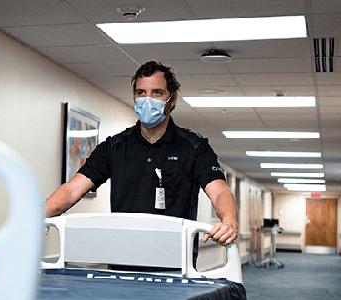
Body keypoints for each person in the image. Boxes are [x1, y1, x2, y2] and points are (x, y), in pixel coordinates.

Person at [45, 60, 238, 246]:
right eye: (141, 93)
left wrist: (229, 221)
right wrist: (39, 215)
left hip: (176, 258)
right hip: (125, 256)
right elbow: (72, 190)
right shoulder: (114, 147)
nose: (147, 100)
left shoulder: (194, 147)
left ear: (173, 99)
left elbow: (219, 191)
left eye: (157, 93)